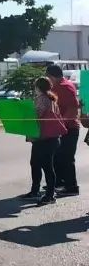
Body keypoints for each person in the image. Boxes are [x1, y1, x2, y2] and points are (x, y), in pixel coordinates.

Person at [26, 77, 67, 205]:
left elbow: (36, 115)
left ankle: (49, 195)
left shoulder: (42, 99)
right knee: (38, 163)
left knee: (46, 166)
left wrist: (23, 109)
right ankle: (37, 190)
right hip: (52, 138)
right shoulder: (51, 99)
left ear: (38, 87)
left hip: (44, 138)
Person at [45, 65, 80, 196]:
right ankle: (59, 182)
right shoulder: (57, 86)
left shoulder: (65, 86)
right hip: (61, 128)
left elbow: (73, 108)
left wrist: (61, 124)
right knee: (57, 157)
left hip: (69, 128)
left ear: (51, 76)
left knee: (67, 158)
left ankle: (71, 186)